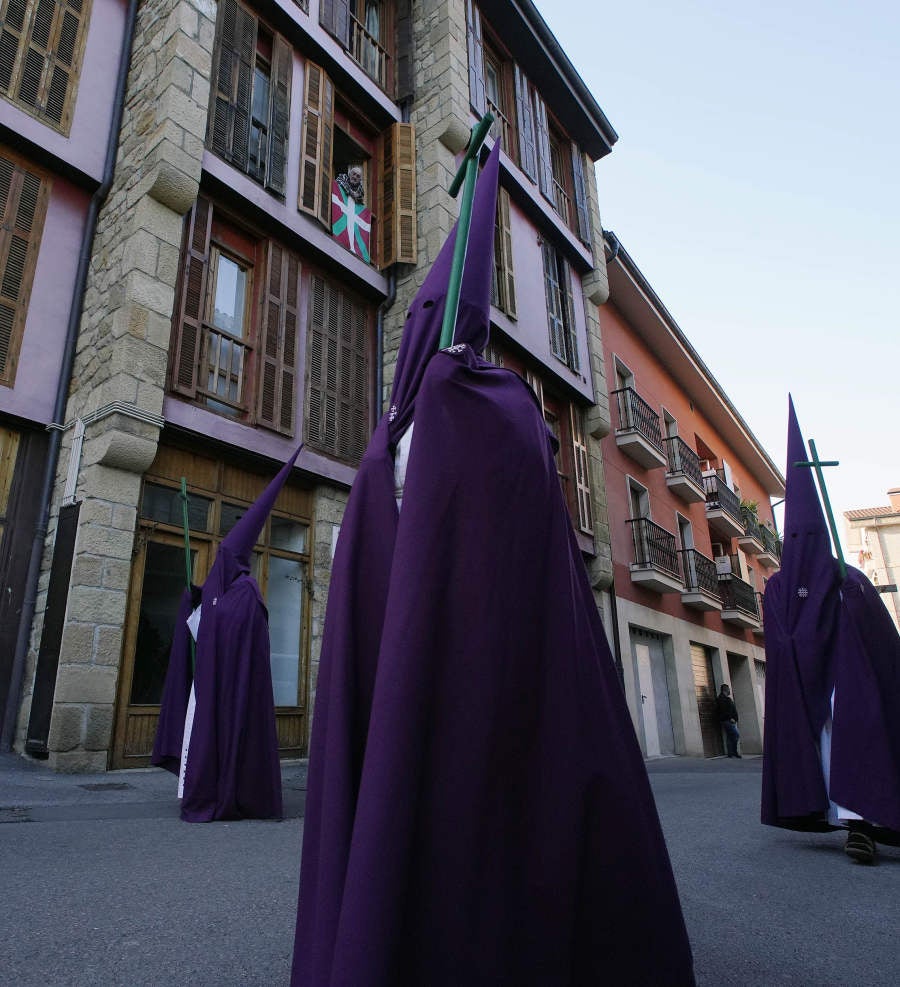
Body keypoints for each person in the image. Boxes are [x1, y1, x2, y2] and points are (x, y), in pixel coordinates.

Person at [717, 684, 741, 758]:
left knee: (730, 736)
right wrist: (730, 718)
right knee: (736, 735)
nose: (729, 690)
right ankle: (734, 752)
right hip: (728, 721)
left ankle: (730, 753)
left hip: (728, 720)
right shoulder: (722, 699)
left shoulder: (725, 698)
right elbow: (724, 710)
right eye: (728, 689)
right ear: (725, 690)